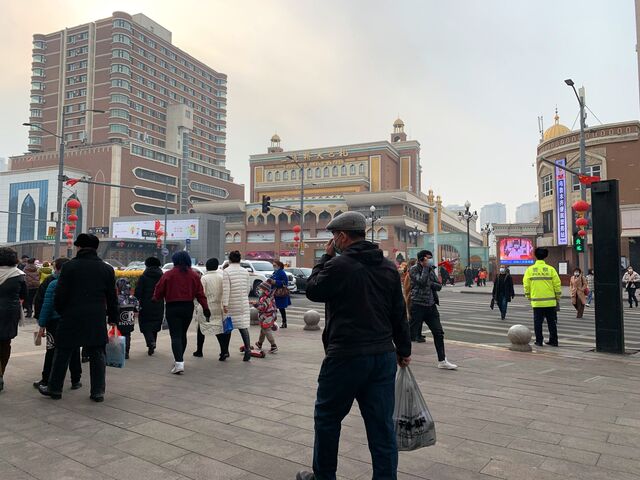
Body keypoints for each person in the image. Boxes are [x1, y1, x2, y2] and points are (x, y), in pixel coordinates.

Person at [297, 211, 411, 480]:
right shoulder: (387, 268)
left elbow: (313, 289)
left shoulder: (339, 265)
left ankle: (324, 476)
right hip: (383, 355)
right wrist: (404, 350)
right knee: (381, 426)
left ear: (343, 236)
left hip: (346, 356)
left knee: (327, 419)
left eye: (334, 236)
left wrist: (325, 258)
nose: (333, 241)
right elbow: (399, 312)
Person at [39, 234, 118, 402]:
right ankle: (97, 392)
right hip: (96, 317)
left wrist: (63, 311)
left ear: (79, 247)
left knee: (63, 352)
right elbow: (112, 297)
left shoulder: (70, 267)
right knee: (97, 353)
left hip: (71, 315)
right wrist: (113, 317)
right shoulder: (106, 269)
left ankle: (55, 389)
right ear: (95, 248)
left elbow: (60, 295)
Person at [153, 251, 210, 374]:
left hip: (173, 307)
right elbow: (200, 294)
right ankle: (179, 359)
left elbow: (159, 289)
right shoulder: (194, 275)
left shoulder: (169, 274)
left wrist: (155, 299)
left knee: (175, 335)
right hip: (187, 307)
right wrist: (206, 308)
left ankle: (179, 362)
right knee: (182, 334)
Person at [33, 257, 82, 391]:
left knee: (52, 351)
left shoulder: (52, 282)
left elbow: (45, 304)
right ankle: (76, 380)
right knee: (74, 351)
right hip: (73, 322)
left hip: (54, 322)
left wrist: (41, 323)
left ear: (56, 267)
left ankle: (46, 379)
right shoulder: (78, 283)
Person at [409, 250, 457, 369]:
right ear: (421, 260)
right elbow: (420, 282)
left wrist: (429, 283)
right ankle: (399, 354)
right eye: (428, 258)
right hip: (418, 305)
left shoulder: (430, 269)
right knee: (410, 334)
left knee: (438, 332)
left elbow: (439, 285)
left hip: (431, 306)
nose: (430, 260)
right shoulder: (414, 269)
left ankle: (442, 361)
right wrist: (426, 270)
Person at [0, 247, 27, 392]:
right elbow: (24, 296)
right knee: (5, 343)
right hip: (10, 313)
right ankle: (1, 373)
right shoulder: (19, 275)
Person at [523, 248, 561, 347]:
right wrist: (557, 296)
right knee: (551, 322)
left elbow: (526, 285)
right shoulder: (551, 269)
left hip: (537, 302)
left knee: (538, 322)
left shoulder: (530, 270)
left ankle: (539, 341)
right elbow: (557, 284)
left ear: (535, 256)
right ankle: (554, 340)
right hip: (550, 302)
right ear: (546, 256)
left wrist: (528, 295)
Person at [192, 258, 227, 360]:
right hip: (217, 307)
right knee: (218, 329)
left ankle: (199, 351)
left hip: (206, 307)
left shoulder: (204, 278)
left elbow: (201, 294)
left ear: (207, 266)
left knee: (201, 329)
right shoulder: (221, 277)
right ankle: (224, 351)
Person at [222, 251, 252, 361]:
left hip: (231, 304)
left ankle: (225, 352)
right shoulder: (245, 271)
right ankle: (248, 350)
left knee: (228, 328)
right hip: (243, 302)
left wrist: (225, 304)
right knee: (243, 327)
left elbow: (226, 290)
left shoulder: (226, 271)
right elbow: (248, 288)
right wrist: (244, 296)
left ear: (229, 259)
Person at [135, 257, 164, 355]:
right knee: (155, 324)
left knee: (145, 324)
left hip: (146, 304)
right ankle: (153, 343)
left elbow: (138, 292)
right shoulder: (162, 276)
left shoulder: (144, 276)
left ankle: (150, 342)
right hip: (159, 303)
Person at [252, 281, 278, 353]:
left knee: (266, 330)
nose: (259, 289)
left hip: (266, 316)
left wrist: (256, 305)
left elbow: (263, 307)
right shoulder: (269, 296)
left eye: (261, 288)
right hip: (270, 315)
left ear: (265, 290)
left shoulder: (264, 297)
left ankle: (273, 345)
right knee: (263, 330)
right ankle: (259, 343)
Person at [116, 278, 139, 359]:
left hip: (119, 320)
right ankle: (126, 352)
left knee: (119, 335)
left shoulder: (117, 298)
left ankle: (120, 351)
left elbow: (112, 308)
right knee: (127, 335)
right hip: (129, 321)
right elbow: (137, 308)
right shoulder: (132, 298)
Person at [272, 260, 290, 328]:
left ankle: (284, 323)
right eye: (273, 265)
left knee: (281, 309)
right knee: (274, 308)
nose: (273, 267)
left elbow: (285, 283)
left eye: (275, 265)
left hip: (280, 294)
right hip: (275, 293)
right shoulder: (275, 272)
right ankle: (273, 322)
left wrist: (275, 282)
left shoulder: (282, 273)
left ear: (279, 266)